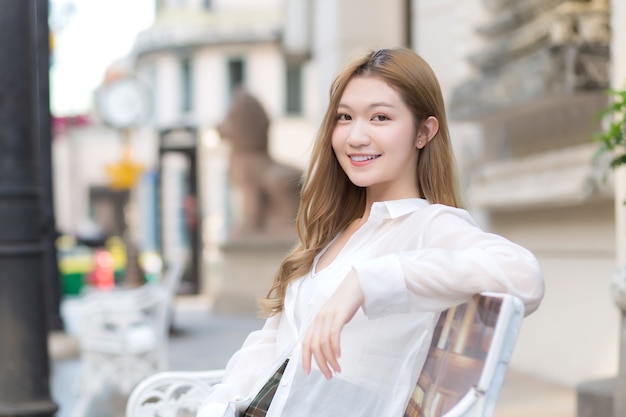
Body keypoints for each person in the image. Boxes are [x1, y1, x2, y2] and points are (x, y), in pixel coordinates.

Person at [197, 47, 544, 417]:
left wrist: (367, 281)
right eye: (344, 117)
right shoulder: (334, 232)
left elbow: (524, 276)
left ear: (423, 132)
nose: (355, 137)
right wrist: (219, 402)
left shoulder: (428, 224)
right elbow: (271, 342)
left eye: (380, 117)